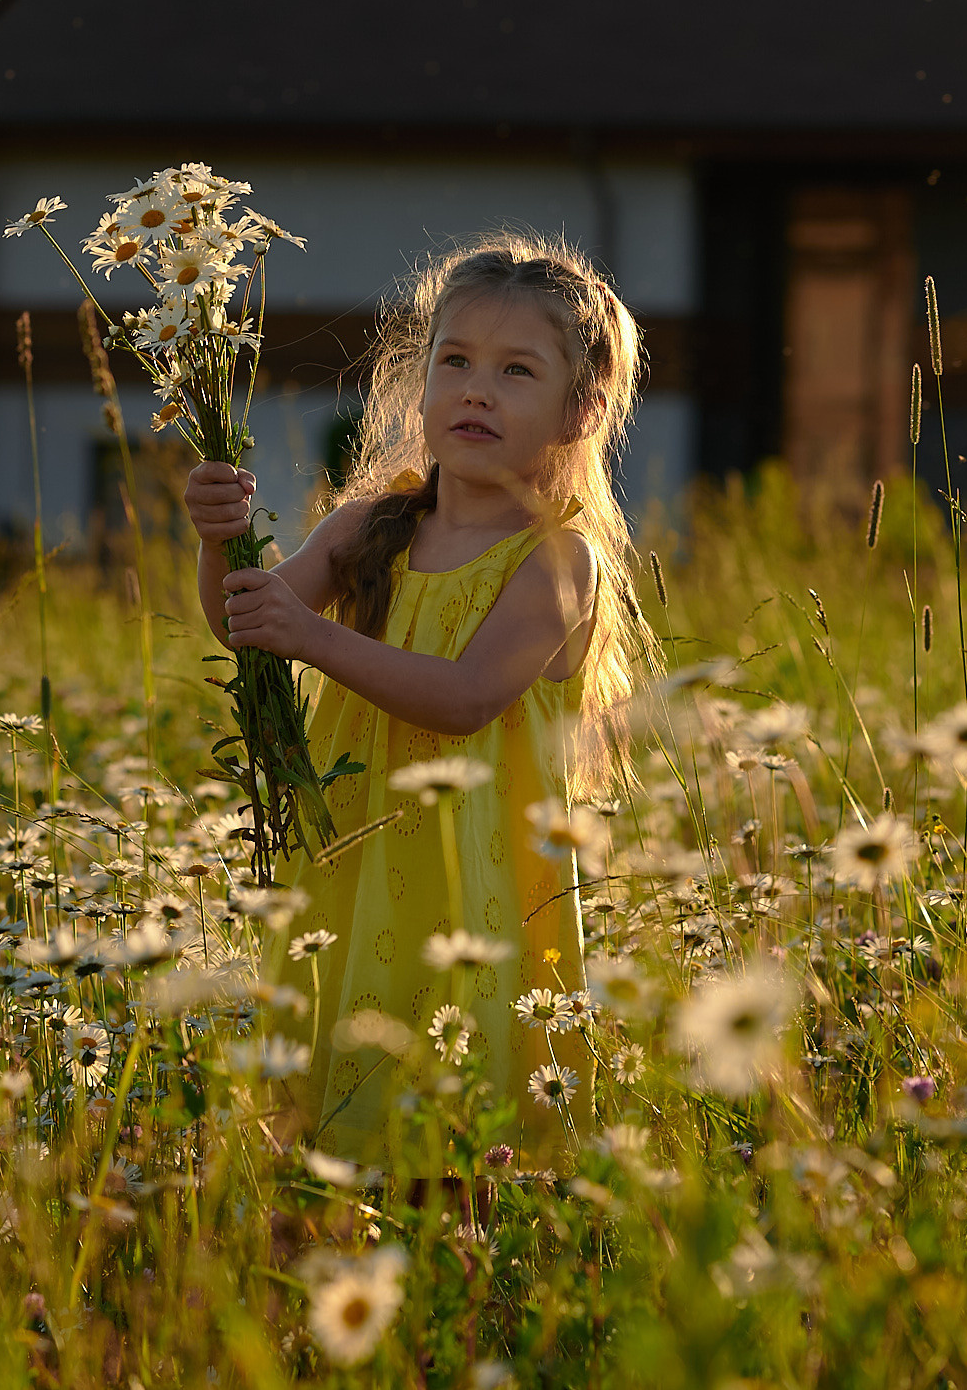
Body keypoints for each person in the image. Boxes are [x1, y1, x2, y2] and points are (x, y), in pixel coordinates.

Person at [183, 234, 649, 1155]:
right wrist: (216, 539)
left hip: (473, 883)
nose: (477, 389)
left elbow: (467, 698)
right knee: (327, 1119)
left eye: (517, 370)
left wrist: (314, 637)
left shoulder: (559, 559)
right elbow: (247, 621)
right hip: (353, 857)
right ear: (422, 380)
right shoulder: (368, 525)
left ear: (581, 410)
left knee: (451, 1127)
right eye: (456, 361)